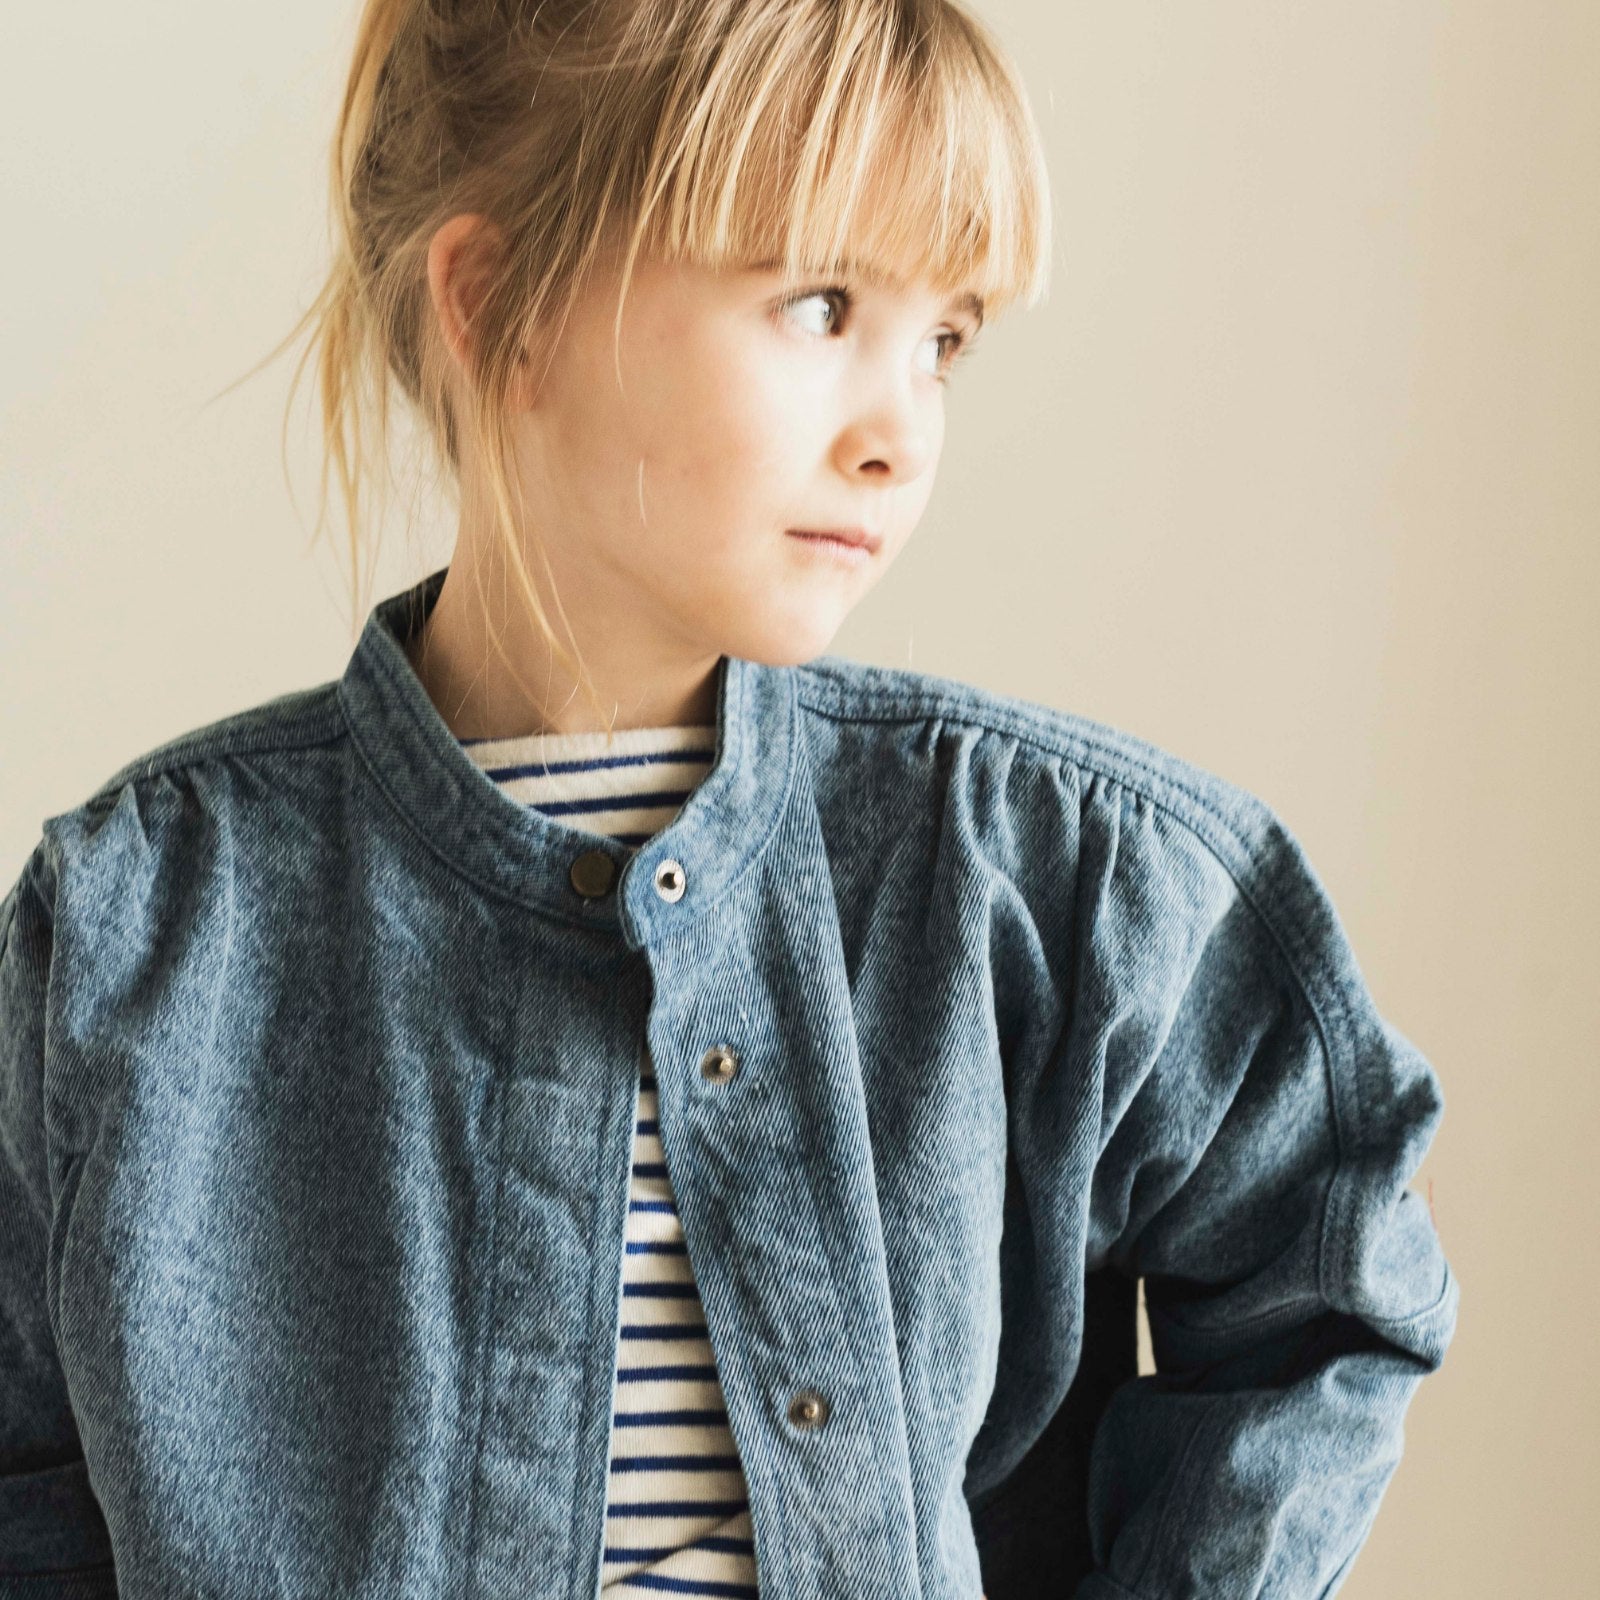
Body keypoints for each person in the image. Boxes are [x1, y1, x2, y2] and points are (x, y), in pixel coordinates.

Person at [0, 2, 1459, 1596]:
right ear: (497, 305)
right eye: (821, 305)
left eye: (946, 339)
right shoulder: (128, 936)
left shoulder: (1035, 879)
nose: (902, 433)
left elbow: (1332, 1274)